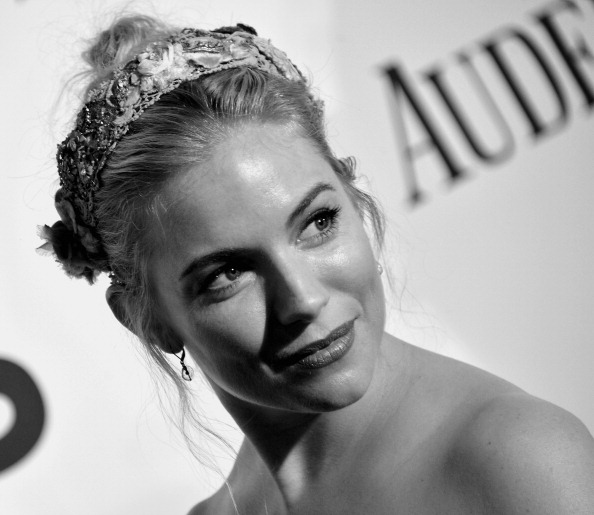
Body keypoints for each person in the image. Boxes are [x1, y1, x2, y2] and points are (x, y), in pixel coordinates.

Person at [40, 14, 594, 515]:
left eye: (318, 222)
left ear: (355, 199)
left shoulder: (521, 462)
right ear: (145, 317)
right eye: (227, 274)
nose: (302, 299)